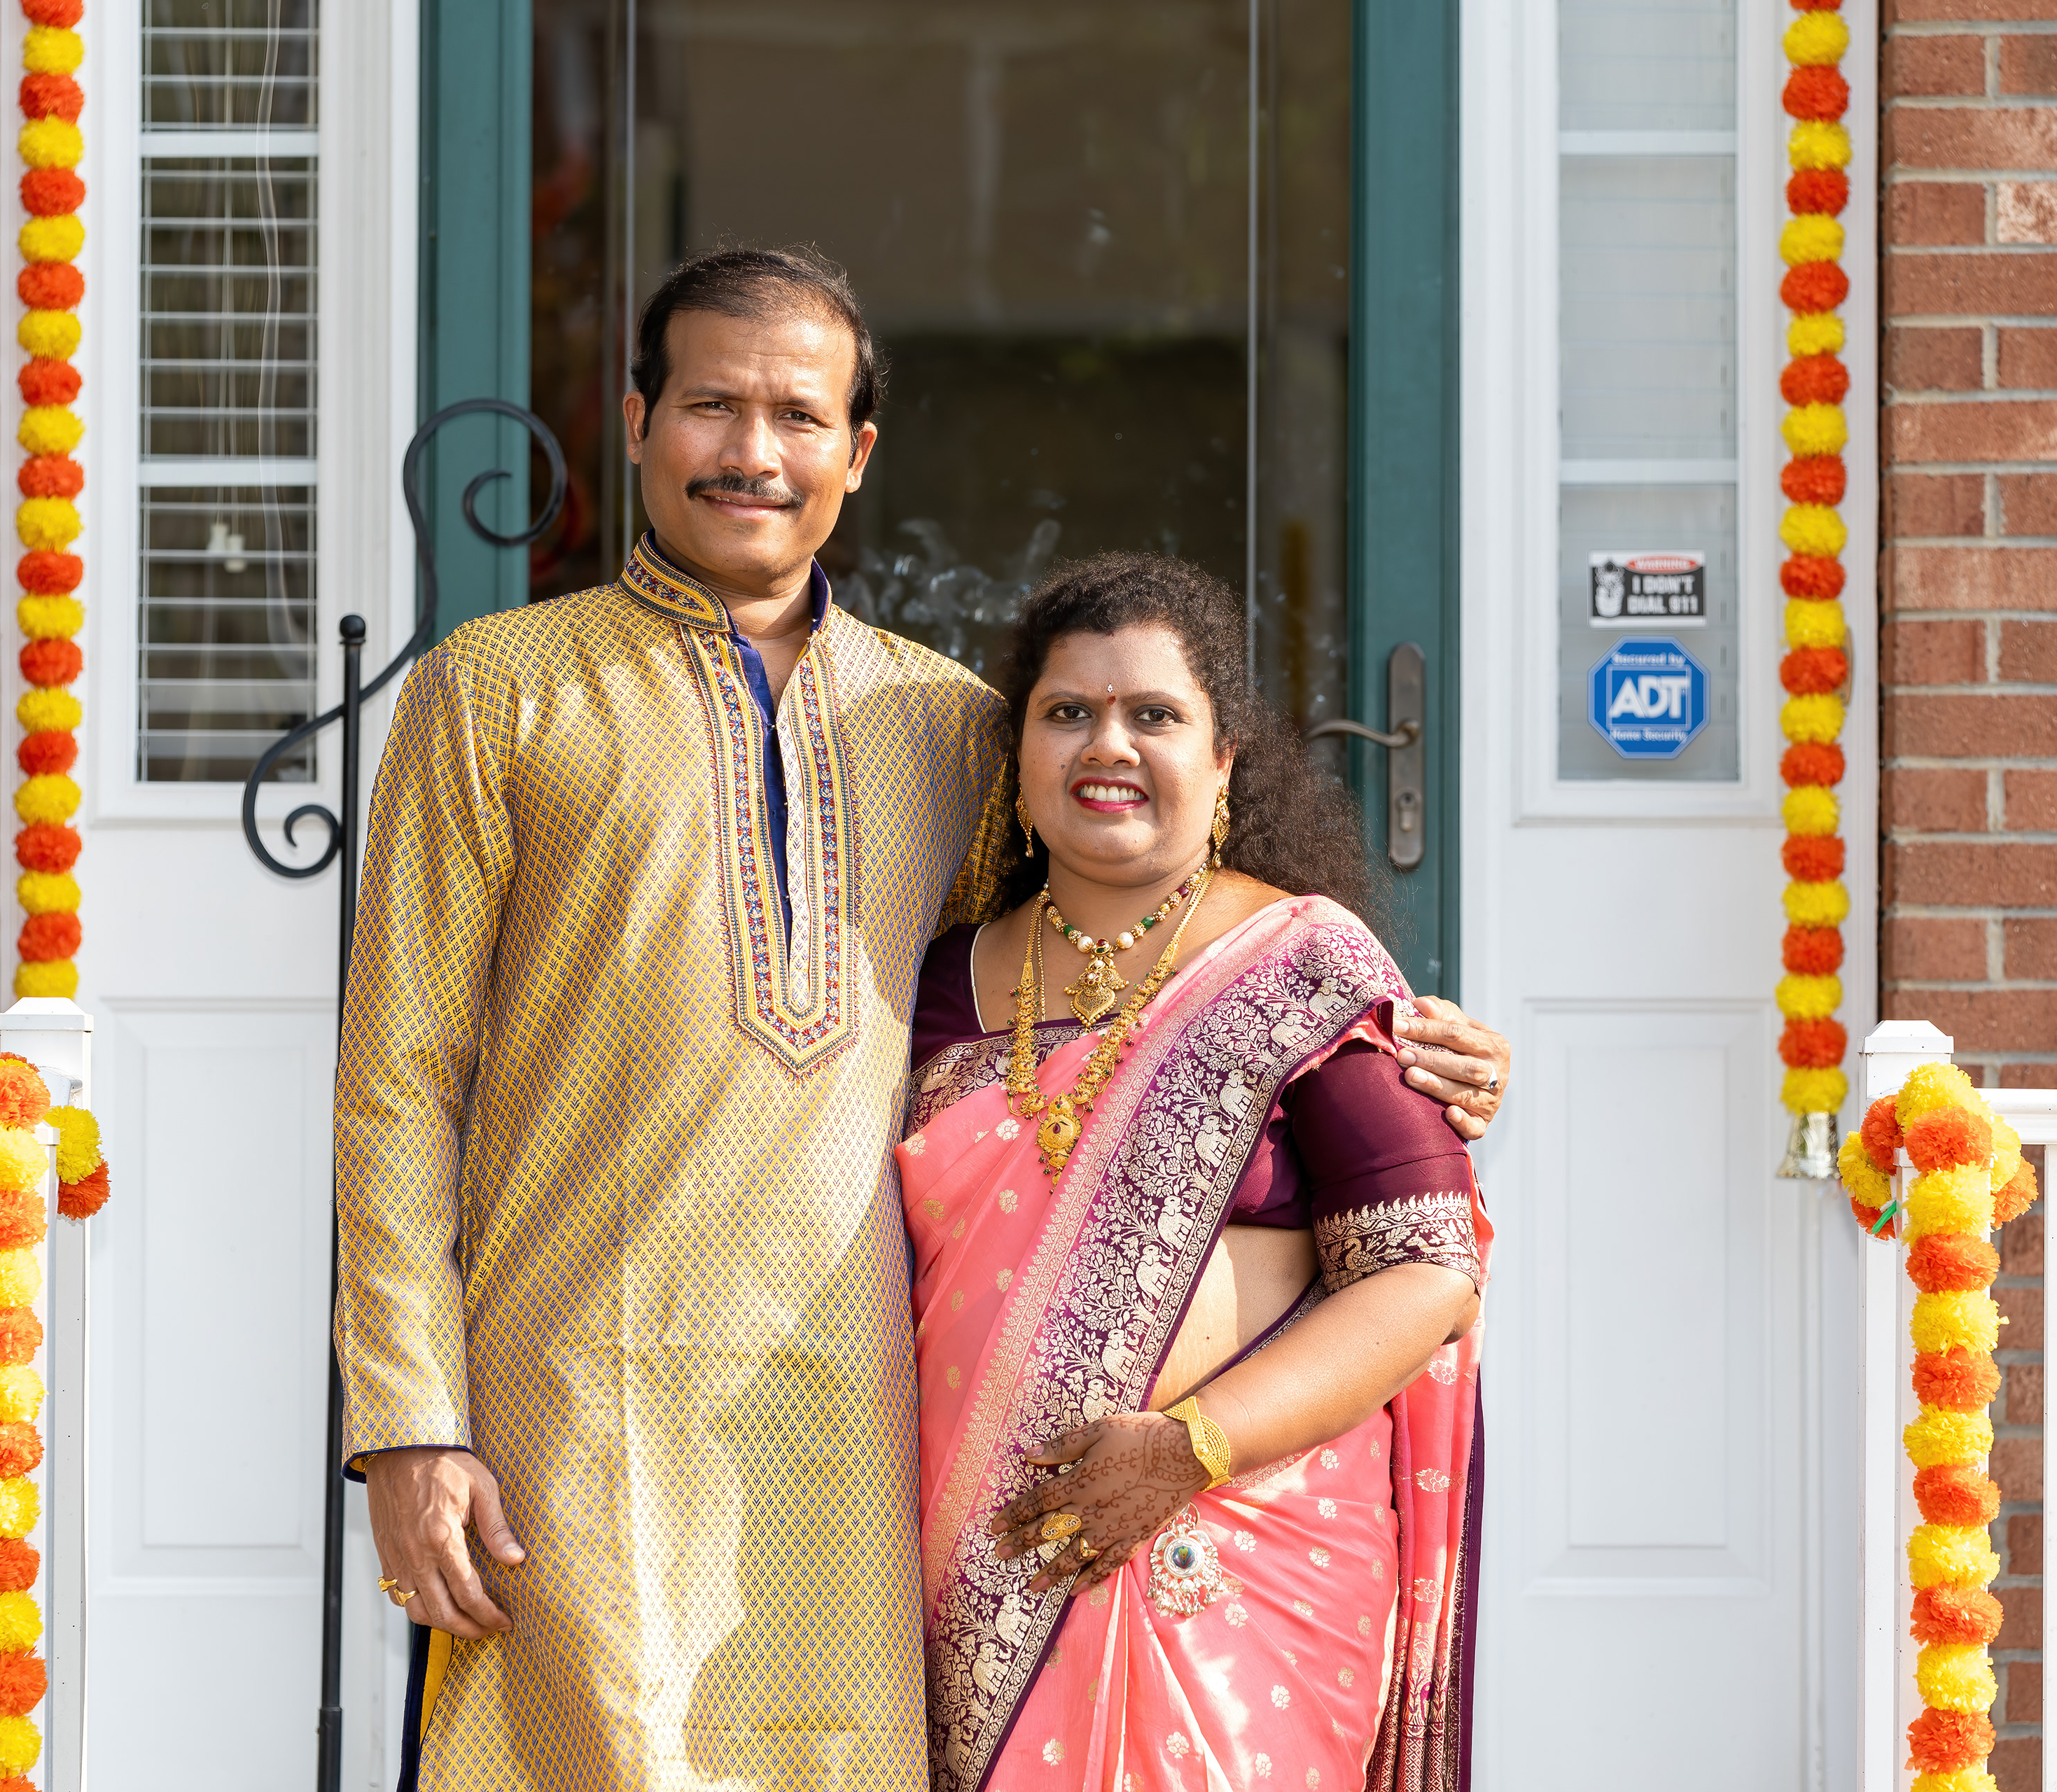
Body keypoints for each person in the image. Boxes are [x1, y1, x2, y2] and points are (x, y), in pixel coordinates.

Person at [335, 246, 1512, 1792]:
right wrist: (411, 1422)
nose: (754, 453)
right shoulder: (495, 693)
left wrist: (1396, 1046)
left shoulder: (945, 723)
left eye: (798, 417)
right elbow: (399, 1080)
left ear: (858, 451)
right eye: (711, 406)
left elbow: (1113, 972)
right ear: (636, 423)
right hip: (573, 1400)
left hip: (872, 1437)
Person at [901, 554, 1488, 1792]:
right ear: (1020, 758)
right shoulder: (936, 986)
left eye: (1155, 714)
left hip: (1234, 1571)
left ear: (1223, 764)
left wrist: (1189, 1448)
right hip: (965, 1576)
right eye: (1068, 711)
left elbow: (1426, 1272)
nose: (1107, 744)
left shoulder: (1302, 966)